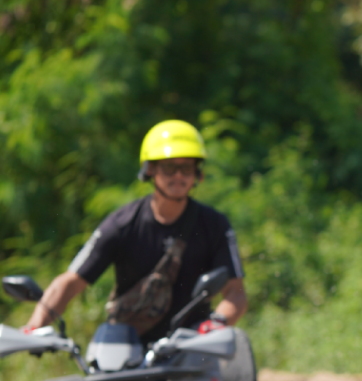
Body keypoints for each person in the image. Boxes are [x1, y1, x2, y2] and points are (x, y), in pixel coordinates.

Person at [23, 120, 247, 343]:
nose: (178, 175)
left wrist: (217, 322)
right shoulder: (123, 223)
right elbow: (71, 282)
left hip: (193, 346)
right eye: (169, 167)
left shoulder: (215, 224)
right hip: (124, 347)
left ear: (197, 173)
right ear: (151, 169)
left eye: (186, 168)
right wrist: (34, 328)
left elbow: (235, 292)